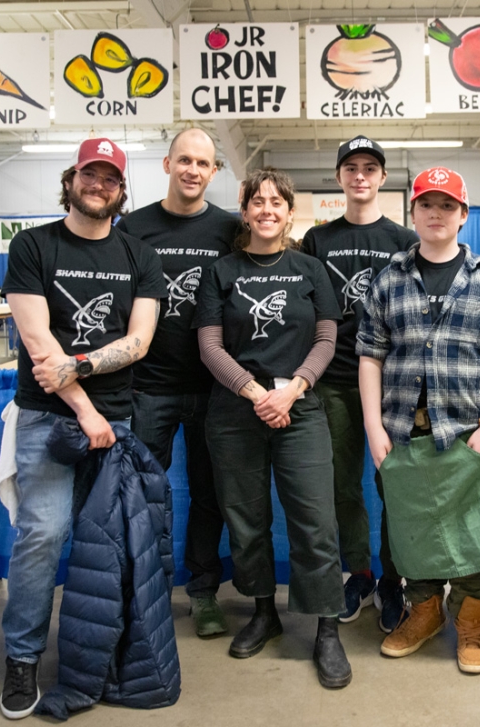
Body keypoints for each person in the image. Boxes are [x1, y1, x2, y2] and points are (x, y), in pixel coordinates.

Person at [0, 138, 166, 720]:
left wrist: (87, 367)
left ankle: (105, 652)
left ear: (122, 189)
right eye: (89, 174)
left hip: (117, 414)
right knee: (43, 533)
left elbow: (139, 340)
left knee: (110, 546)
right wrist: (85, 408)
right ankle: (21, 658)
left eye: (110, 178)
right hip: (49, 416)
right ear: (71, 179)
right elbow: (38, 342)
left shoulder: (138, 255)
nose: (99, 185)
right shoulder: (32, 245)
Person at [358, 167, 480, 675]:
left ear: (463, 215)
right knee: (413, 532)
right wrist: (374, 428)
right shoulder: (388, 280)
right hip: (404, 431)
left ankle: (473, 617)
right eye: (427, 205)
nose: (436, 213)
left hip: (468, 430)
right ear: (413, 214)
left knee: (468, 530)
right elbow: (370, 356)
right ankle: (424, 611)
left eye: (447, 205)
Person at [194, 168, 352, 689]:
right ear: (245, 212)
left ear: (290, 212)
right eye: (256, 201)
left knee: (314, 517)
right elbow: (210, 346)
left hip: (299, 406)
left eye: (276, 202)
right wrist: (257, 393)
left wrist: (293, 388)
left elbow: (326, 339)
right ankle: (264, 611)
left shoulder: (310, 269)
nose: (266, 209)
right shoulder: (221, 272)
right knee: (246, 517)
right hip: (236, 410)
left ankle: (327, 626)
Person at [115, 128, 241, 638]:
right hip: (150, 387)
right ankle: (147, 591)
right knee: (144, 494)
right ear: (167, 164)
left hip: (216, 389)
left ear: (214, 172)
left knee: (211, 495)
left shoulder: (229, 230)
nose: (193, 170)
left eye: (203, 163)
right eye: (184, 160)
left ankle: (206, 592)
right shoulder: (133, 227)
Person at [300, 135, 418, 631]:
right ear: (339, 177)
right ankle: (362, 572)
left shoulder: (404, 241)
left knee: (395, 486)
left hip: (393, 385)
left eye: (370, 167)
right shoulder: (317, 240)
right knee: (342, 487)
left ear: (382, 177)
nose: (361, 175)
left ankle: (395, 579)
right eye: (351, 167)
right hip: (333, 381)